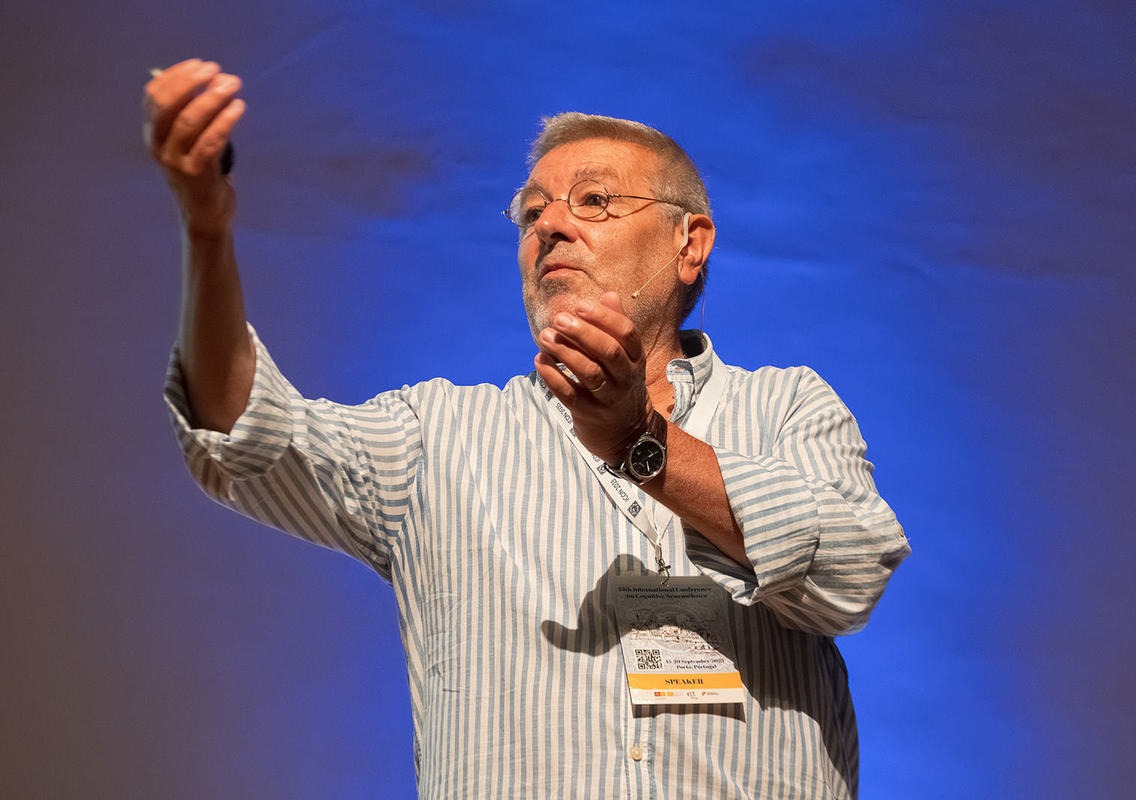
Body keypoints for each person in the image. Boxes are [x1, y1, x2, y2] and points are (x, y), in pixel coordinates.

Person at [145, 58, 910, 800]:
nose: (551, 226)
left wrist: (642, 444)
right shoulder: (438, 438)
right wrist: (206, 231)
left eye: (594, 201)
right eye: (531, 212)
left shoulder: (787, 408)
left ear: (690, 244)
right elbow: (244, 432)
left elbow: (852, 573)